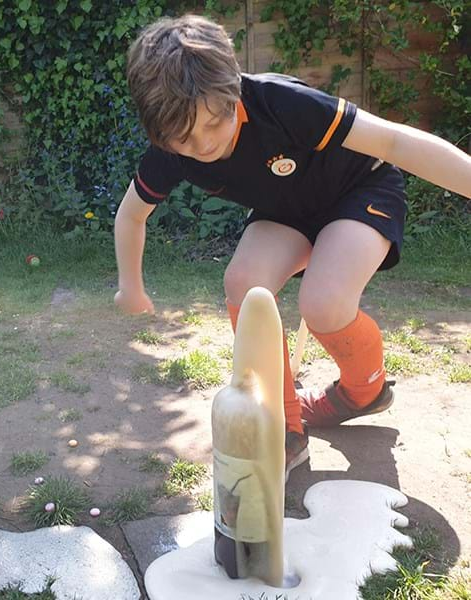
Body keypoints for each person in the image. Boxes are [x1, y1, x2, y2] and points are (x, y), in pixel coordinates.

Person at [114, 14, 471, 479]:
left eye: (214, 122)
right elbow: (131, 214)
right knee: (243, 283)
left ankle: (364, 391)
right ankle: (284, 428)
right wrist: (131, 287)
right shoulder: (169, 149)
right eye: (183, 137)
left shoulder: (282, 103)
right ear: (160, 132)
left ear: (233, 91)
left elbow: (392, 140)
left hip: (359, 190)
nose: (203, 144)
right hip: (287, 212)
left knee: (322, 303)